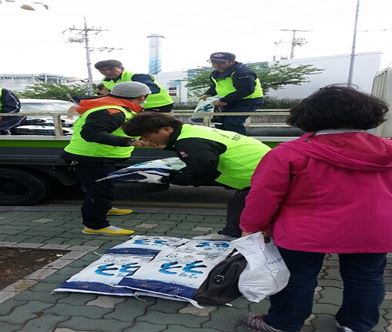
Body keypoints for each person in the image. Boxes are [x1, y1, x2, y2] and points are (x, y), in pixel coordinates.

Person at [238, 86, 392, 332]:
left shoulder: (289, 153)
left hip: (304, 231)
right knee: (366, 278)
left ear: (308, 115)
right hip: (376, 228)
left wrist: (252, 226)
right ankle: (356, 325)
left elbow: (264, 197)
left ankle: (283, 323)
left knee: (296, 279)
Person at [122, 112, 271, 240]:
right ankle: (231, 233)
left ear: (167, 129)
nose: (146, 141)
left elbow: (203, 171)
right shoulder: (189, 131)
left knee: (252, 214)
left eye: (147, 136)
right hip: (262, 171)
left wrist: (171, 178)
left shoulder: (188, 142)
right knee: (239, 205)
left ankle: (244, 241)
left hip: (261, 176)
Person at [61, 81, 154, 236]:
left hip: (98, 156)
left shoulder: (116, 107)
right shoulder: (113, 111)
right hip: (93, 158)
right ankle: (95, 225)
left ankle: (105, 208)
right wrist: (129, 142)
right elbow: (91, 134)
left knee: (101, 189)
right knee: (99, 191)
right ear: (141, 96)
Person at [200, 52, 264, 135]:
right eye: (213, 62)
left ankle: (241, 144)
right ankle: (224, 143)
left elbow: (246, 90)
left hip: (249, 100)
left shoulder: (241, 72)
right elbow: (215, 86)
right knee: (220, 123)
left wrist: (223, 100)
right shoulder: (215, 74)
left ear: (232, 62)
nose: (217, 65)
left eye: (222, 63)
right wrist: (208, 94)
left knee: (232, 122)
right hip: (230, 101)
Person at [94, 59, 174, 113]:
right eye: (103, 70)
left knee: (153, 131)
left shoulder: (136, 76)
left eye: (111, 69)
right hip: (138, 107)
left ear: (121, 68)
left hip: (159, 105)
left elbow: (153, 89)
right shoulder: (106, 82)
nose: (107, 72)